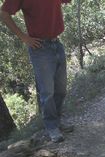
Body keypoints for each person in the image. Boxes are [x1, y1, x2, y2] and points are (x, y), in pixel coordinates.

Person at [1, 0, 73, 143]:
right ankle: (51, 127)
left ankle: (57, 122)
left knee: (61, 90)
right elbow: (3, 13)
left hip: (57, 44)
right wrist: (24, 38)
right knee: (47, 92)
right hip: (40, 48)